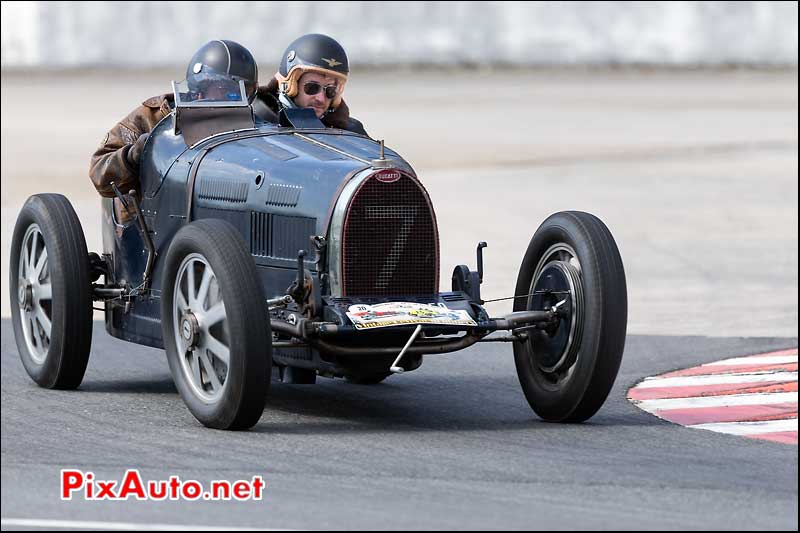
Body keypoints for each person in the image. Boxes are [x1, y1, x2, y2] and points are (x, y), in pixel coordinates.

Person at [89, 39, 258, 223]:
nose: (202, 96)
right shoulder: (152, 116)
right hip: (151, 225)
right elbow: (100, 172)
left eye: (240, 91)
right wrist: (133, 156)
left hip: (217, 221)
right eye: (200, 88)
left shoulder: (252, 119)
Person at [253, 33, 368, 136]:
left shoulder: (352, 132)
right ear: (289, 85)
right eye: (312, 87)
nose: (321, 99)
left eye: (330, 90)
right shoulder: (252, 120)